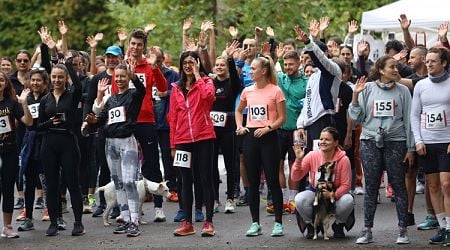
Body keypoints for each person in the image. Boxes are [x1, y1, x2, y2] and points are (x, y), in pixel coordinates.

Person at [349, 55, 415, 244]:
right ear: (380, 70)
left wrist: (410, 147)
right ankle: (367, 230)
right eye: (392, 67)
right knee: (370, 186)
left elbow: (409, 121)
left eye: (397, 67)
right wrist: (355, 96)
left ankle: (403, 230)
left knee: (398, 186)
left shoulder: (403, 91)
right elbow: (356, 117)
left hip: (396, 142)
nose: (396, 70)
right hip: (370, 141)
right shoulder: (367, 88)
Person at [112, 29, 168, 223]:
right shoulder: (122, 67)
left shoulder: (148, 66)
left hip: (146, 121)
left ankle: (159, 207)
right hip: (126, 122)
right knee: (126, 167)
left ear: (144, 47)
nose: (135, 48)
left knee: (151, 163)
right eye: (133, 44)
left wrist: (154, 68)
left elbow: (163, 88)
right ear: (129, 44)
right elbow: (115, 94)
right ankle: (129, 209)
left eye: (139, 45)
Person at [86, 62, 146, 237]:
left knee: (129, 182)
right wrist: (92, 120)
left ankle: (134, 220)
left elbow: (143, 91)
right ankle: (125, 218)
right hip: (110, 143)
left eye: (123, 76)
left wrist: (135, 76)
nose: (119, 79)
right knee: (118, 183)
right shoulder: (111, 99)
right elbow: (101, 118)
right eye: (117, 76)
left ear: (128, 77)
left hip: (127, 141)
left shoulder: (134, 94)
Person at [235, 55, 286, 237]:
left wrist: (268, 128)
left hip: (269, 137)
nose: (250, 72)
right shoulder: (247, 91)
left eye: (253, 69)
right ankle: (255, 222)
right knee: (253, 182)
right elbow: (239, 110)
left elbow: (282, 118)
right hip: (251, 137)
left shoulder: (276, 91)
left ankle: (278, 223)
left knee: (273, 181)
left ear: (263, 71)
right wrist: (240, 126)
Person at [168, 51, 216, 237]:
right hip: (182, 139)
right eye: (185, 63)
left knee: (205, 179)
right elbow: (173, 117)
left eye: (192, 62)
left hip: (204, 136)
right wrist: (173, 145)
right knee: (184, 181)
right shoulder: (176, 88)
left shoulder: (207, 82)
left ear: (197, 63)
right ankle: (187, 222)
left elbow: (208, 98)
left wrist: (198, 76)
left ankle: (208, 222)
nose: (188, 65)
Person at [37, 57, 85, 237]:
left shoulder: (72, 96)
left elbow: (79, 87)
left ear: (65, 79)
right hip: (49, 143)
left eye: (60, 77)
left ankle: (78, 223)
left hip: (68, 142)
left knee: (73, 182)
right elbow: (38, 126)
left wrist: (69, 66)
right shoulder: (45, 100)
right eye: (54, 77)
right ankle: (54, 222)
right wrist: (50, 122)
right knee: (51, 184)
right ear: (50, 78)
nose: (57, 80)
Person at [410, 47, 450, 246]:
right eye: (427, 61)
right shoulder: (421, 86)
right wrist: (418, 140)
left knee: (446, 184)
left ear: (444, 63)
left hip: (447, 142)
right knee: (433, 186)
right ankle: (442, 227)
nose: (429, 64)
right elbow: (414, 114)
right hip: (427, 142)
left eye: (433, 61)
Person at [82, 45, 123, 218]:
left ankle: (119, 205)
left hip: (121, 128)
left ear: (120, 58)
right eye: (108, 57)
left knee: (119, 168)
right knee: (102, 167)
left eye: (114, 57)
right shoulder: (98, 78)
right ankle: (102, 203)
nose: (111, 60)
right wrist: (86, 120)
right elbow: (88, 101)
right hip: (101, 127)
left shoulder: (123, 77)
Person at [292, 127, 353, 239]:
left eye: (327, 139)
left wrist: (332, 195)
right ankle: (311, 224)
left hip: (335, 195)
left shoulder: (344, 159)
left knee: (348, 200)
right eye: (321, 139)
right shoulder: (312, 155)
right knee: (299, 199)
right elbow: (296, 177)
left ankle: (339, 225)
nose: (323, 142)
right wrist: (298, 160)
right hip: (315, 193)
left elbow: (346, 185)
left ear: (336, 142)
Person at [0, 71, 33, 238]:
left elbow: (28, 121)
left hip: (9, 150)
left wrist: (25, 103)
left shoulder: (12, 103)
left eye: (1, 80)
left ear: (6, 83)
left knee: (7, 188)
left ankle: (7, 226)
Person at [17, 68, 49, 232]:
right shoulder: (25, 99)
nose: (35, 83)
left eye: (39, 80)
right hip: (30, 142)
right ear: (28, 82)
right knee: (30, 181)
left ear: (44, 83)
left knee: (49, 180)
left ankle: (53, 214)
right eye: (33, 80)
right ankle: (28, 217)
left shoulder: (48, 98)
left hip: (45, 141)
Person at [275, 50, 308, 213]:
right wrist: (269, 55)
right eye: (285, 64)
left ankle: (293, 199)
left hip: (298, 130)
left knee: (295, 164)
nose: (288, 67)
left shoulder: (307, 82)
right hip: (280, 128)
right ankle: (281, 198)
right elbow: (266, 68)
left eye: (291, 64)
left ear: (299, 63)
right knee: (278, 163)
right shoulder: (280, 78)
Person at [211, 41, 241, 214]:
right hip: (212, 128)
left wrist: (230, 58)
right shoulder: (210, 83)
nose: (219, 67)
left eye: (222, 65)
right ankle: (215, 198)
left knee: (230, 164)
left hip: (229, 128)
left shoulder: (232, 83)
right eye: (217, 65)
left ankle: (230, 197)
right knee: (212, 164)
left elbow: (236, 80)